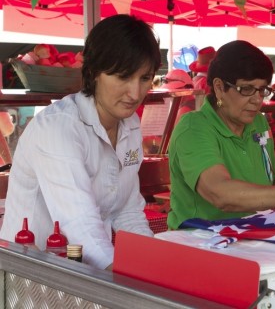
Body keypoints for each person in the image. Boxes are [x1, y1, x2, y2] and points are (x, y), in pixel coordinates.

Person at [0, 14, 160, 270]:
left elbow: (128, 212)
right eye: (122, 77)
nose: (135, 93)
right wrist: (120, 280)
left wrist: (154, 267)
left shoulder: (130, 125)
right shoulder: (59, 128)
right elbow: (79, 224)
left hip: (84, 272)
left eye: (144, 78)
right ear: (94, 72)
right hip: (31, 277)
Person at [167, 40, 275, 228]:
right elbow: (220, 194)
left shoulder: (259, 122)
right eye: (247, 89)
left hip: (252, 237)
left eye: (262, 90)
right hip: (199, 243)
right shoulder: (194, 127)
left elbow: (270, 194)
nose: (257, 100)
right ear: (218, 88)